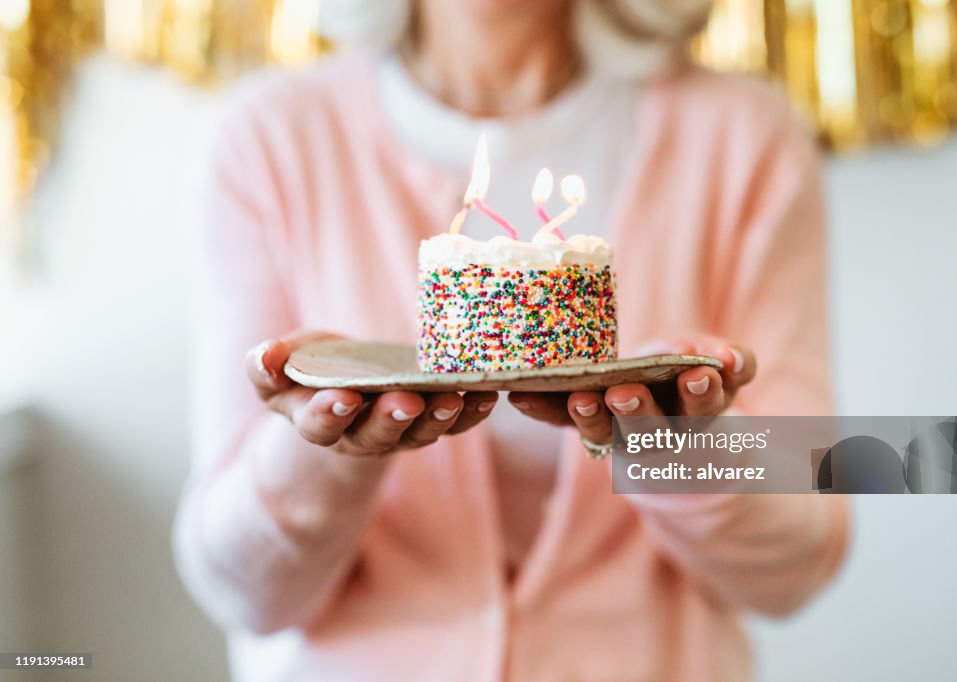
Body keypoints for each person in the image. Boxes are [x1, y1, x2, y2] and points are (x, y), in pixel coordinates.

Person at [173, 0, 850, 679]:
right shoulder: (270, 141)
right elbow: (236, 590)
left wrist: (683, 448)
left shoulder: (744, 140)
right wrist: (326, 450)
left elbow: (800, 567)